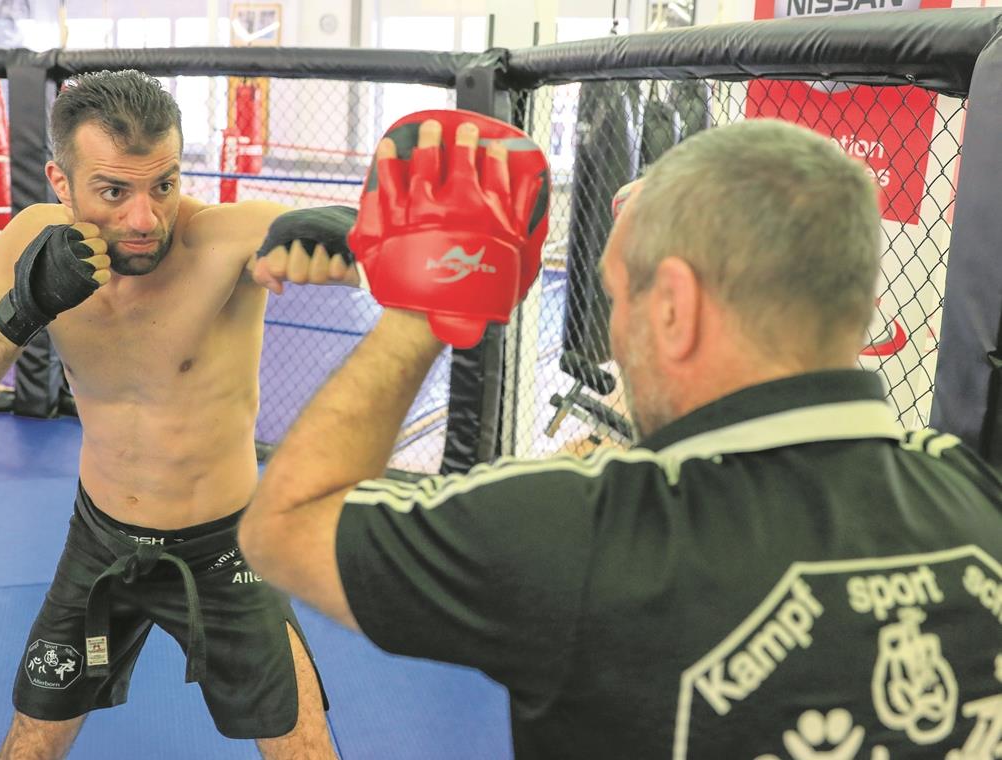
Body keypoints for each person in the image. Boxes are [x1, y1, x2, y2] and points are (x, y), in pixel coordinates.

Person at [238, 117, 1002, 758]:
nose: (613, 329)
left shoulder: (581, 533)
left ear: (673, 306)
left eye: (617, 293)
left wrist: (422, 313)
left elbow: (283, 529)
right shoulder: (974, 495)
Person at [0, 69, 350, 759]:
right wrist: (22, 307)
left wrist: (392, 241)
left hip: (226, 547)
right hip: (102, 544)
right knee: (32, 738)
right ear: (62, 183)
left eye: (164, 185)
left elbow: (361, 250)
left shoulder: (229, 241)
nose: (145, 219)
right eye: (114, 191)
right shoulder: (33, 238)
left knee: (303, 746)